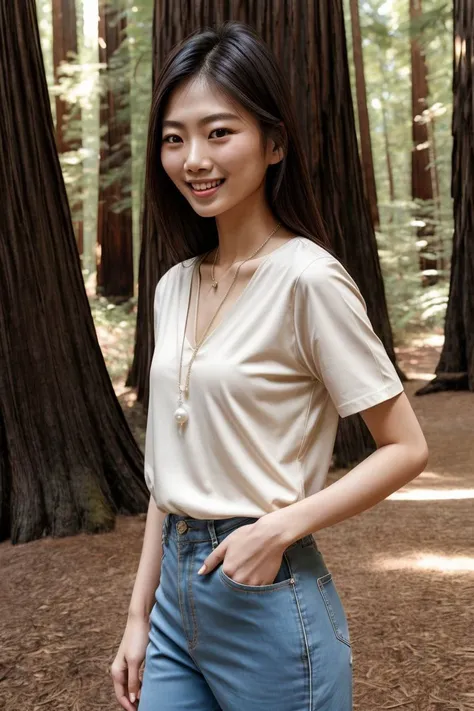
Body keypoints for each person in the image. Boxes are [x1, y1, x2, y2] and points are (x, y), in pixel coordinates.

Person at [111, 20, 428, 711]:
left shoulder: (308, 279)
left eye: (219, 132)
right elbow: (168, 476)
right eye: (174, 137)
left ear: (273, 142)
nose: (194, 157)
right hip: (172, 605)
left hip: (266, 593)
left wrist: (281, 528)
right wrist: (139, 616)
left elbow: (407, 447)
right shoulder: (173, 288)